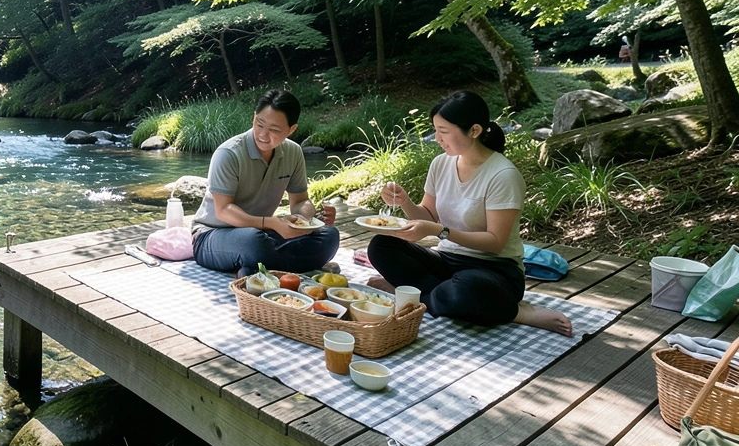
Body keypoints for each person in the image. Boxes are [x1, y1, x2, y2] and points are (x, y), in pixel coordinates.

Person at [365, 91, 572, 336]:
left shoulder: (503, 175)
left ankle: (517, 312)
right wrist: (404, 201)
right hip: (447, 262)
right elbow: (428, 215)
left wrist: (440, 231)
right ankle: (426, 295)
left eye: (443, 132)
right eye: (436, 130)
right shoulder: (440, 164)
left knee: (467, 288)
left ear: (474, 130)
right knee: (381, 246)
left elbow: (495, 243)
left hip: (494, 271)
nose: (437, 139)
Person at [191, 90, 339, 277]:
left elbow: (301, 201)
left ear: (291, 129)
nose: (263, 134)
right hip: (213, 235)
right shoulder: (228, 153)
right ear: (254, 117)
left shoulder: (293, 152)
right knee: (252, 242)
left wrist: (305, 220)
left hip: (263, 233)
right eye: (259, 124)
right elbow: (223, 210)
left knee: (329, 236)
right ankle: (282, 266)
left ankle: (256, 269)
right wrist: (272, 223)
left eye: (274, 130)